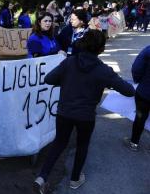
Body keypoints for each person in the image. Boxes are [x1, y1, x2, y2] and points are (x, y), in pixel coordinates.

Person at [33, 30, 135, 194]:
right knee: (82, 145)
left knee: (59, 143)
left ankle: (42, 176)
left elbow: (49, 79)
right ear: (101, 49)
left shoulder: (69, 62)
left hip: (64, 112)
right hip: (86, 116)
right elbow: (129, 91)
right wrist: (108, 82)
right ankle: (74, 179)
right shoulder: (104, 70)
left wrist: (67, 81)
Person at [124, 45, 150, 151]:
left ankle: (134, 143)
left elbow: (137, 68)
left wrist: (138, 80)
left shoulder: (148, 51)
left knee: (140, 117)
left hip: (145, 91)